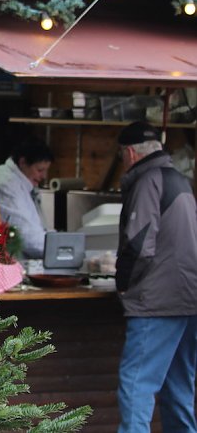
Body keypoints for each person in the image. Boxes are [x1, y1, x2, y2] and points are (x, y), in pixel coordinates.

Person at [115, 121, 197, 432]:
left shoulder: (148, 181)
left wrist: (123, 283)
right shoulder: (180, 180)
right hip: (188, 299)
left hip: (158, 302)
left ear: (131, 153)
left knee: (137, 383)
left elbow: (139, 245)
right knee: (178, 388)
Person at [0, 137, 53, 259]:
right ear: (22, 162)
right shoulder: (4, 184)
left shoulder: (19, 183)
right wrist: (59, 248)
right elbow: (26, 237)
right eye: (40, 170)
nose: (43, 176)